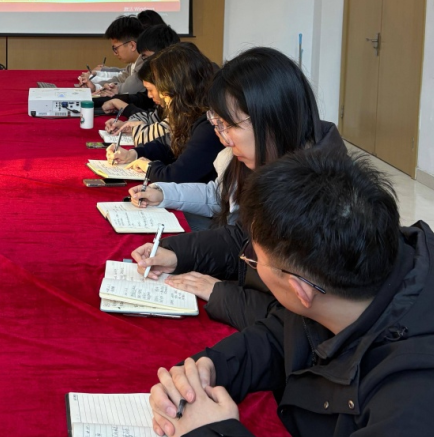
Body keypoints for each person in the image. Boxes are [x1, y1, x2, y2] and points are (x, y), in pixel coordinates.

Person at [147, 150, 434, 437]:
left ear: (301, 289)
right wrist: (211, 369)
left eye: (254, 261)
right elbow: (282, 336)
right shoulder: (363, 270)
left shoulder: (433, 398)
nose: (252, 265)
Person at [131, 47, 343, 328]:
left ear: (272, 118)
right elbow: (243, 239)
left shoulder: (323, 200)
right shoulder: (264, 158)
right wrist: (176, 253)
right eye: (217, 124)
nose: (224, 139)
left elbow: (310, 321)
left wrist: (220, 293)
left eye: (229, 125)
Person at [106, 42, 221, 184]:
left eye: (163, 91)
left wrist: (149, 167)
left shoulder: (209, 123)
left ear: (177, 88)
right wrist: (134, 154)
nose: (160, 96)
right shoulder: (189, 113)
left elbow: (178, 176)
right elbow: (171, 150)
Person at [102, 24, 180, 122]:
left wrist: (121, 105)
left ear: (164, 54)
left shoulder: (178, 91)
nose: (145, 62)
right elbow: (146, 102)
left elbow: (160, 125)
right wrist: (118, 101)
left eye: (146, 57)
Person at [78, 15, 143, 96]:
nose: (114, 53)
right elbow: (119, 79)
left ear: (132, 46)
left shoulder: (144, 64)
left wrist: (108, 88)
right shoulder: (133, 63)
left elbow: (127, 89)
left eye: (115, 48)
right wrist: (94, 87)